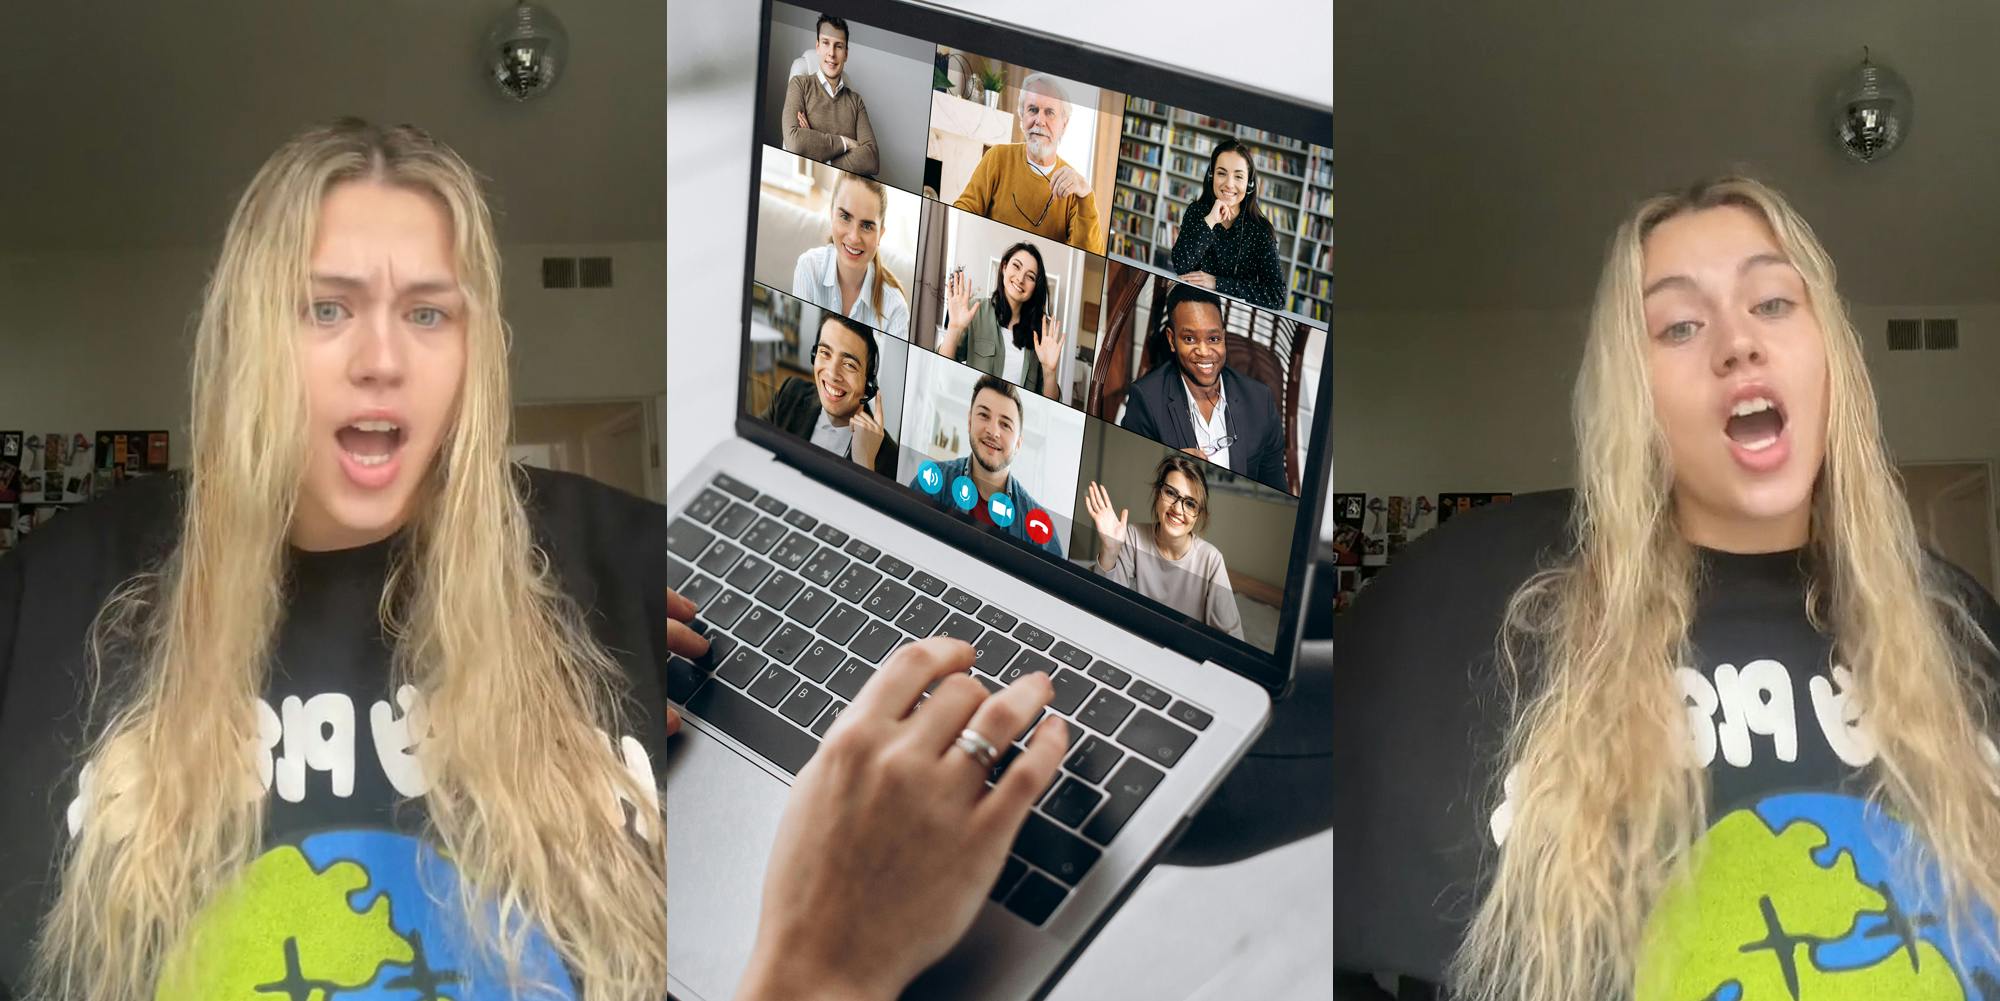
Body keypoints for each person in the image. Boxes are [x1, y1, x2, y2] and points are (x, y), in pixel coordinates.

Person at [0, 120, 669, 999]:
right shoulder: (45, 594)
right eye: (327, 307)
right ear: (248, 334)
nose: (382, 361)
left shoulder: (637, 566)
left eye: (428, 312)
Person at [1332, 177, 2000, 1000]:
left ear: (1830, 354)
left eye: (1774, 303)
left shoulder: (1961, 629)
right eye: (1680, 324)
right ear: (1634, 397)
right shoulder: (1500, 639)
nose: (1737, 343)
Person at [1120, 284, 1290, 494]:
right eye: (1189, 339)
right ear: (1172, 340)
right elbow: (1130, 481)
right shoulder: (1146, 399)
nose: (1204, 351)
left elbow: (1276, 490)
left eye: (1213, 339)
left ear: (1223, 337)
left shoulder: (1260, 400)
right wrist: (1170, 469)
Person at [1085, 456, 1245, 639]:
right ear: (1157, 493)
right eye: (1171, 493)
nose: (1178, 509)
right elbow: (1104, 605)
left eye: (1190, 503)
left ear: (1199, 515)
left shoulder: (1211, 559)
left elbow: (1232, 639)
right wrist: (1110, 550)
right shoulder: (1133, 536)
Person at [908, 375, 1066, 557]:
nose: (993, 432)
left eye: (1005, 424)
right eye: (984, 415)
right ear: (969, 422)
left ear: (1018, 444)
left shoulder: (1038, 525)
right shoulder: (930, 482)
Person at [951, 73, 1105, 254]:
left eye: (1050, 112)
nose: (1040, 120)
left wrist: (1086, 195)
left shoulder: (1074, 189)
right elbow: (961, 213)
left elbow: (1088, 256)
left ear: (1064, 124)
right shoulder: (997, 157)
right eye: (1032, 109)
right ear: (1022, 117)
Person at [764, 313, 900, 477]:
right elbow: (752, 448)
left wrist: (865, 464)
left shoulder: (890, 456)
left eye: (849, 364)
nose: (832, 373)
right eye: (825, 353)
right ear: (814, 356)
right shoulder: (791, 392)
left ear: (868, 385)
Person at [938, 241, 1066, 400]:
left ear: (1035, 287)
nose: (1020, 279)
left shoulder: (1040, 335)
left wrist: (1049, 372)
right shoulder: (975, 312)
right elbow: (941, 373)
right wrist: (954, 328)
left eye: (1030, 276)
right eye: (1016, 266)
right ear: (1004, 267)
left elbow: (1049, 405)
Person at [791, 171, 910, 339]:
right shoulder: (808, 268)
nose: (854, 237)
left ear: (880, 235)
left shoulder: (895, 308)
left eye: (867, 226)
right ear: (831, 215)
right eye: (845, 217)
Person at [1170, 140, 1285, 310]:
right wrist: (1210, 220)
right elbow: (1180, 264)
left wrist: (1217, 283)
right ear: (1212, 176)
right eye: (1222, 173)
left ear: (1249, 184)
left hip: (1236, 317)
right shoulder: (1197, 212)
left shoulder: (1261, 232)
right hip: (1192, 307)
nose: (1229, 184)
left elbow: (1277, 296)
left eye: (1238, 176)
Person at [780, 14, 879, 176]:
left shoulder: (856, 101)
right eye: (826, 43)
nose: (831, 53)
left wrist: (818, 150)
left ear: (846, 54)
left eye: (838, 46)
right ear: (818, 47)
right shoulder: (799, 85)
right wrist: (845, 142)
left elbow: (872, 160)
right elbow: (795, 142)